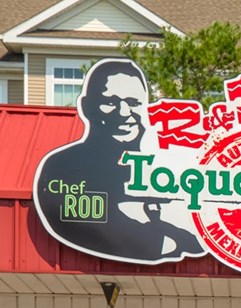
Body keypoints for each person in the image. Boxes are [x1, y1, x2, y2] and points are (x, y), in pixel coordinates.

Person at [34, 59, 204, 263]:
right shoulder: (62, 166)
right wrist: (165, 238)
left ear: (146, 109)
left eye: (133, 103)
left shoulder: (171, 163)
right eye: (110, 102)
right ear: (87, 106)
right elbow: (78, 229)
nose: (124, 113)